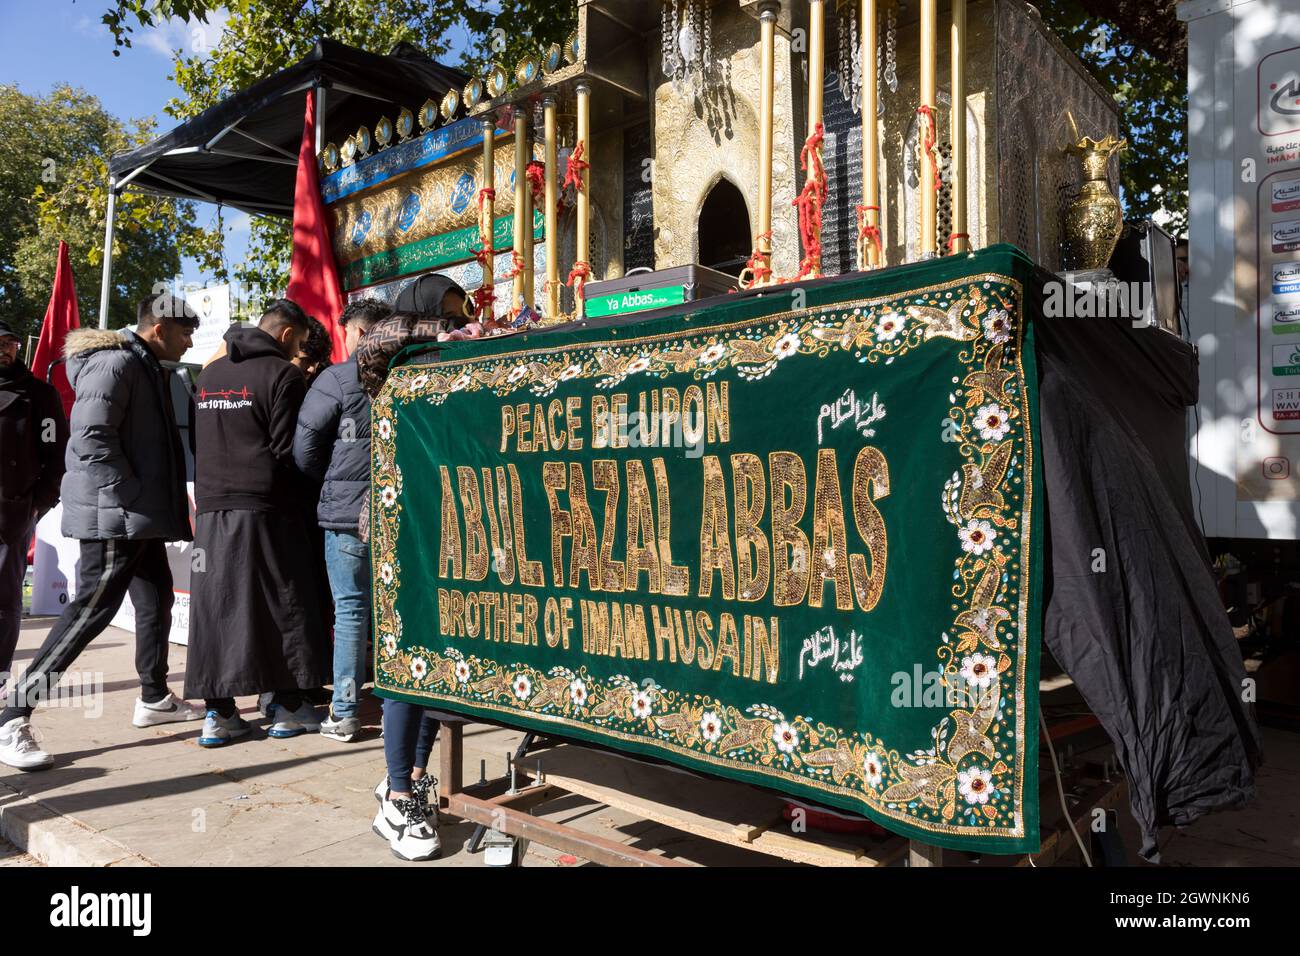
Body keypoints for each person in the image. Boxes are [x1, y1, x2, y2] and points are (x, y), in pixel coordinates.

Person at [0, 296, 204, 770]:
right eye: (184, 331)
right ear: (158, 328)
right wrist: (126, 493)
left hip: (137, 516)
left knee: (156, 599)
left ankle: (153, 697)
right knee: (89, 613)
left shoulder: (145, 364)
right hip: (116, 514)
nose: (189, 340)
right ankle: (14, 715)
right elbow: (91, 437)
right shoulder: (114, 363)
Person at [185, 299, 330, 746]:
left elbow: (197, 439)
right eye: (302, 343)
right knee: (283, 599)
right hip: (267, 505)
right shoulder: (282, 375)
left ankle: (219, 712)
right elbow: (289, 450)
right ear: (287, 335)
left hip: (210, 507)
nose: (301, 352)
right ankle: (288, 706)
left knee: (216, 606)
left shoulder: (209, 374)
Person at [293, 299, 390, 743]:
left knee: (351, 610)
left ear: (356, 332)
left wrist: (330, 481)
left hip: (348, 515)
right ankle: (400, 708)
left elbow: (306, 446)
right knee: (396, 611)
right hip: (397, 509)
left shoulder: (337, 377)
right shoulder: (407, 370)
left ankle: (346, 712)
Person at [0, 321, 68, 688]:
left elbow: (57, 459)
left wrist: (34, 507)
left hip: (9, 515)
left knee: (2, 603)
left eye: (10, 343)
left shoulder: (39, 395)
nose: (5, 349)